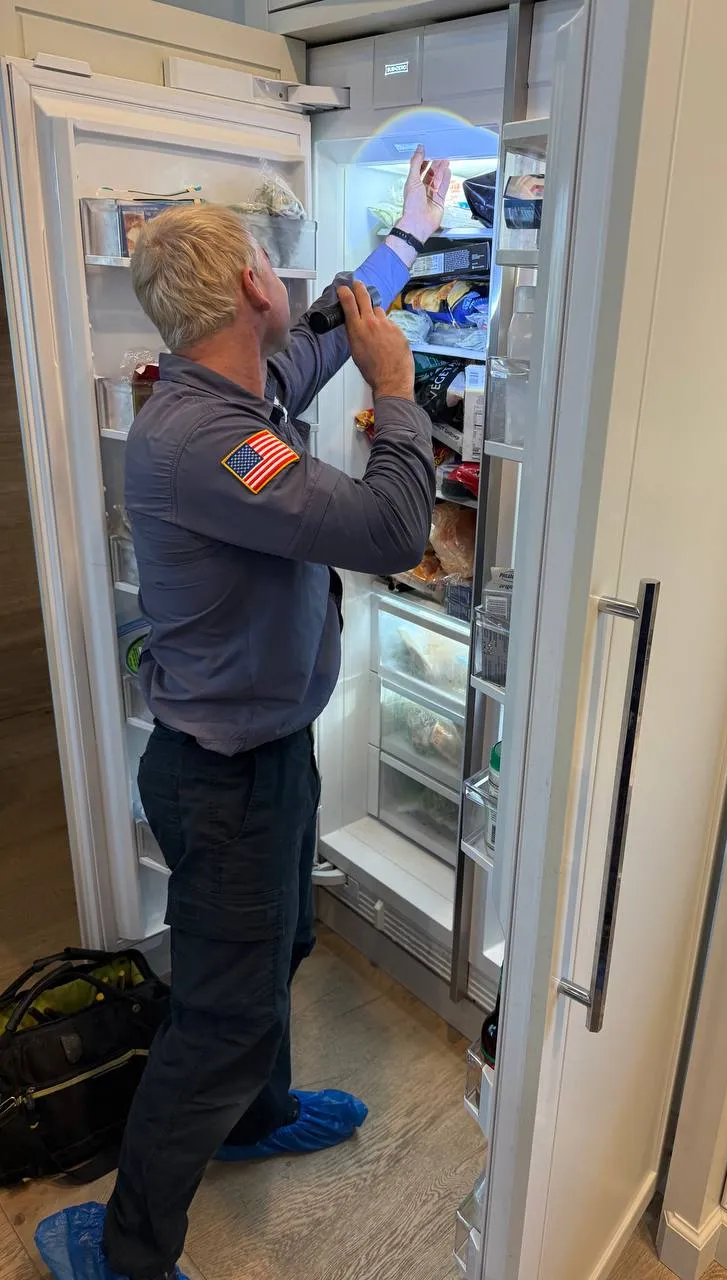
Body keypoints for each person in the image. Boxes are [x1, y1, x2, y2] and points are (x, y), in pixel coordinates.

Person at [34, 148, 450, 1280]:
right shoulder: (218, 440)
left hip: (263, 755)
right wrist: (401, 391)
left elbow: (330, 325)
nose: (289, 288)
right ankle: (124, 1252)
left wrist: (409, 233)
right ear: (252, 287)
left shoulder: (235, 380)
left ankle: (256, 1116)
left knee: (278, 949)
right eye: (272, 265)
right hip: (223, 779)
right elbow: (387, 532)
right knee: (217, 1020)